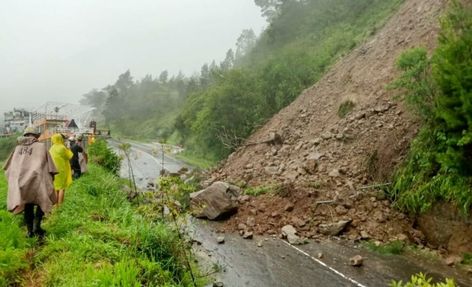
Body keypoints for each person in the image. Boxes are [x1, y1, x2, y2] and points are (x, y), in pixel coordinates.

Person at [3, 127, 57, 237]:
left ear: (25, 135)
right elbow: (51, 167)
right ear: (35, 136)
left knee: (27, 206)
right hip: (38, 182)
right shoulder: (41, 147)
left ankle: (29, 231)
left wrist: (16, 181)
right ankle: (37, 226)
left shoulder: (17, 149)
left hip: (22, 183)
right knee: (42, 202)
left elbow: (9, 168)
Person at [49, 133, 73, 205]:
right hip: (61, 170)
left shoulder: (51, 148)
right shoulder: (62, 147)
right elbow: (69, 156)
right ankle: (60, 205)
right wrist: (68, 148)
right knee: (62, 188)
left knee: (56, 188)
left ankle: (55, 205)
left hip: (53, 171)